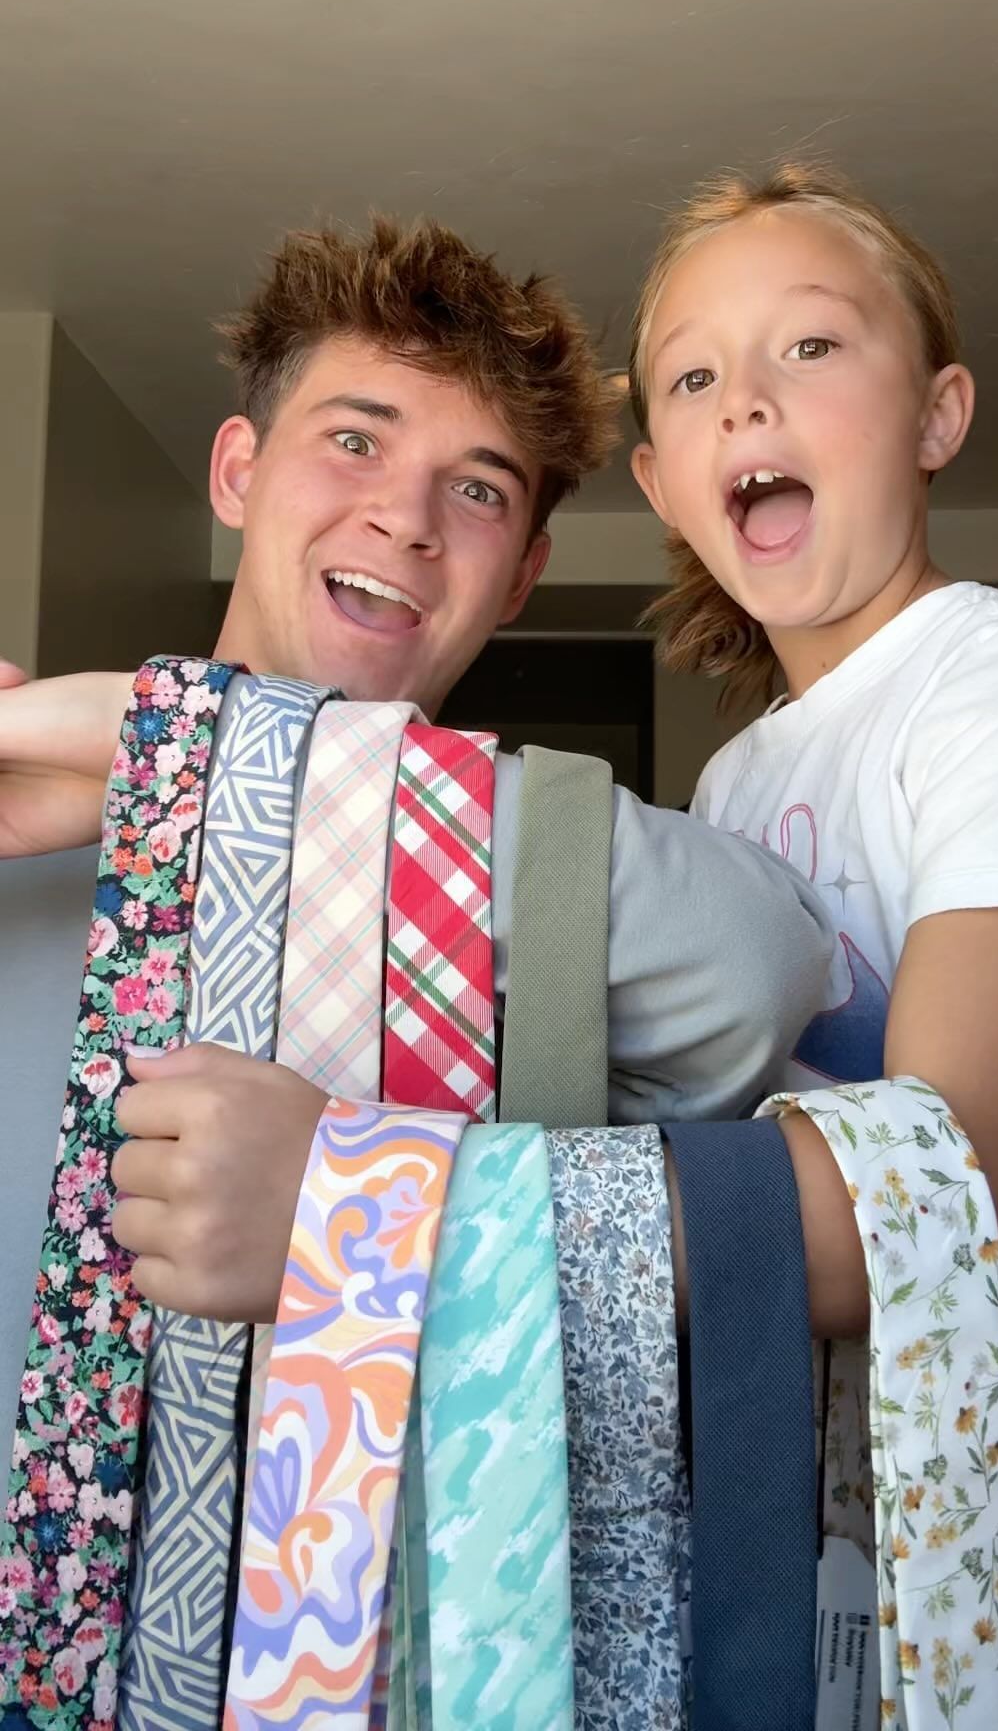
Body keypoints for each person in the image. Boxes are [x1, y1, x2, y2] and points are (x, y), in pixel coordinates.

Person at [0, 214, 833, 1482]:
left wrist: (207, 754)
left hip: (382, 1604)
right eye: (354, 439)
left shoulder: (541, 915)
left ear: (521, 578)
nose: (405, 518)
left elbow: (761, 961)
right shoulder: (31, 814)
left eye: (479, 488)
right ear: (237, 472)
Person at [627, 160, 998, 1722]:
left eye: (811, 346)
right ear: (660, 482)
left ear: (939, 416)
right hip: (822, 1570)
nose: (748, 400)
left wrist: (449, 1227)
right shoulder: (734, 784)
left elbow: (953, 1207)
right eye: (694, 378)